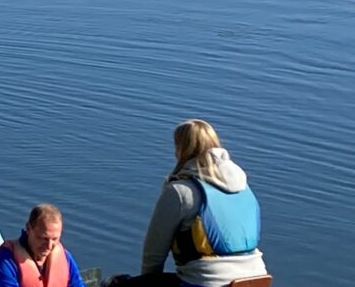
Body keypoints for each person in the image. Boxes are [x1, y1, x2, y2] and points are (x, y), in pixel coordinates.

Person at [103, 120, 267, 287]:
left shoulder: (180, 191)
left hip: (207, 282)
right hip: (256, 278)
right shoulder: (244, 188)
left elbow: (154, 254)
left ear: (181, 149)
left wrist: (148, 281)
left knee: (115, 284)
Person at [0, 204, 87, 287]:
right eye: (43, 238)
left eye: (55, 239)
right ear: (28, 229)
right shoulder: (6, 260)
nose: (49, 246)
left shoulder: (65, 258)